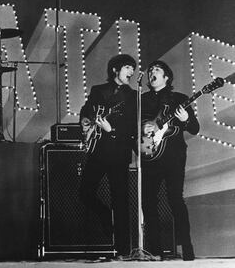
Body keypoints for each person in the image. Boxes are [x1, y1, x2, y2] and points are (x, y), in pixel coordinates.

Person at [79, 54, 137, 259]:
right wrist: (86, 123)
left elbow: (132, 127)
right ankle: (105, 215)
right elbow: (86, 111)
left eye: (133, 68)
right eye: (128, 67)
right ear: (115, 69)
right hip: (98, 150)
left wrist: (111, 129)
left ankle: (123, 250)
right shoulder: (98, 90)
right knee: (85, 191)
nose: (131, 72)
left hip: (119, 153)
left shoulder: (133, 96)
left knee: (120, 201)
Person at [141, 60, 199, 261]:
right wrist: (143, 129)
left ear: (166, 77)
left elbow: (194, 128)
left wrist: (185, 120)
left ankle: (188, 249)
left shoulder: (180, 99)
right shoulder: (142, 99)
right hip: (150, 155)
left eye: (156, 70)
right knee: (148, 202)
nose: (151, 74)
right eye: (150, 71)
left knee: (175, 200)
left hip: (173, 157)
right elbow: (133, 127)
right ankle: (155, 251)